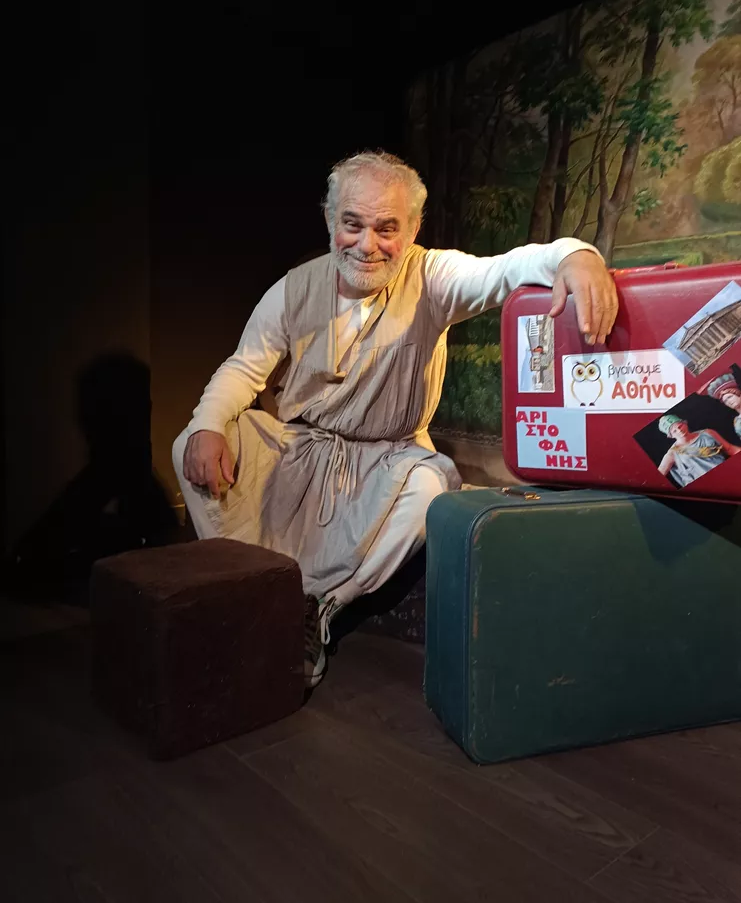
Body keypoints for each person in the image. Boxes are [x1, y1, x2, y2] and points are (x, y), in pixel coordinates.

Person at [173, 151, 618, 687]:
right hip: (300, 452)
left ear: (412, 229)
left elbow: (505, 269)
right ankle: (244, 587)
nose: (367, 245)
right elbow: (244, 368)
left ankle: (315, 607)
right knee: (193, 441)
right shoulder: (293, 290)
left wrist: (576, 256)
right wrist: (207, 425)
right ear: (330, 220)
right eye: (352, 224)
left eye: (387, 228)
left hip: (387, 459)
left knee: (432, 483)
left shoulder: (432, 276)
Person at [657, 413, 741, 488]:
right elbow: (656, 479)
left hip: (727, 475)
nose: (679, 430)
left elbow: (730, 449)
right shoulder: (672, 454)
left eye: (680, 426)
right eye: (674, 431)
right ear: (670, 436)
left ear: (685, 423)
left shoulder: (707, 433)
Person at [702, 372, 741, 440]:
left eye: (729, 397)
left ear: (738, 394)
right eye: (725, 401)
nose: (729, 402)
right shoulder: (737, 421)